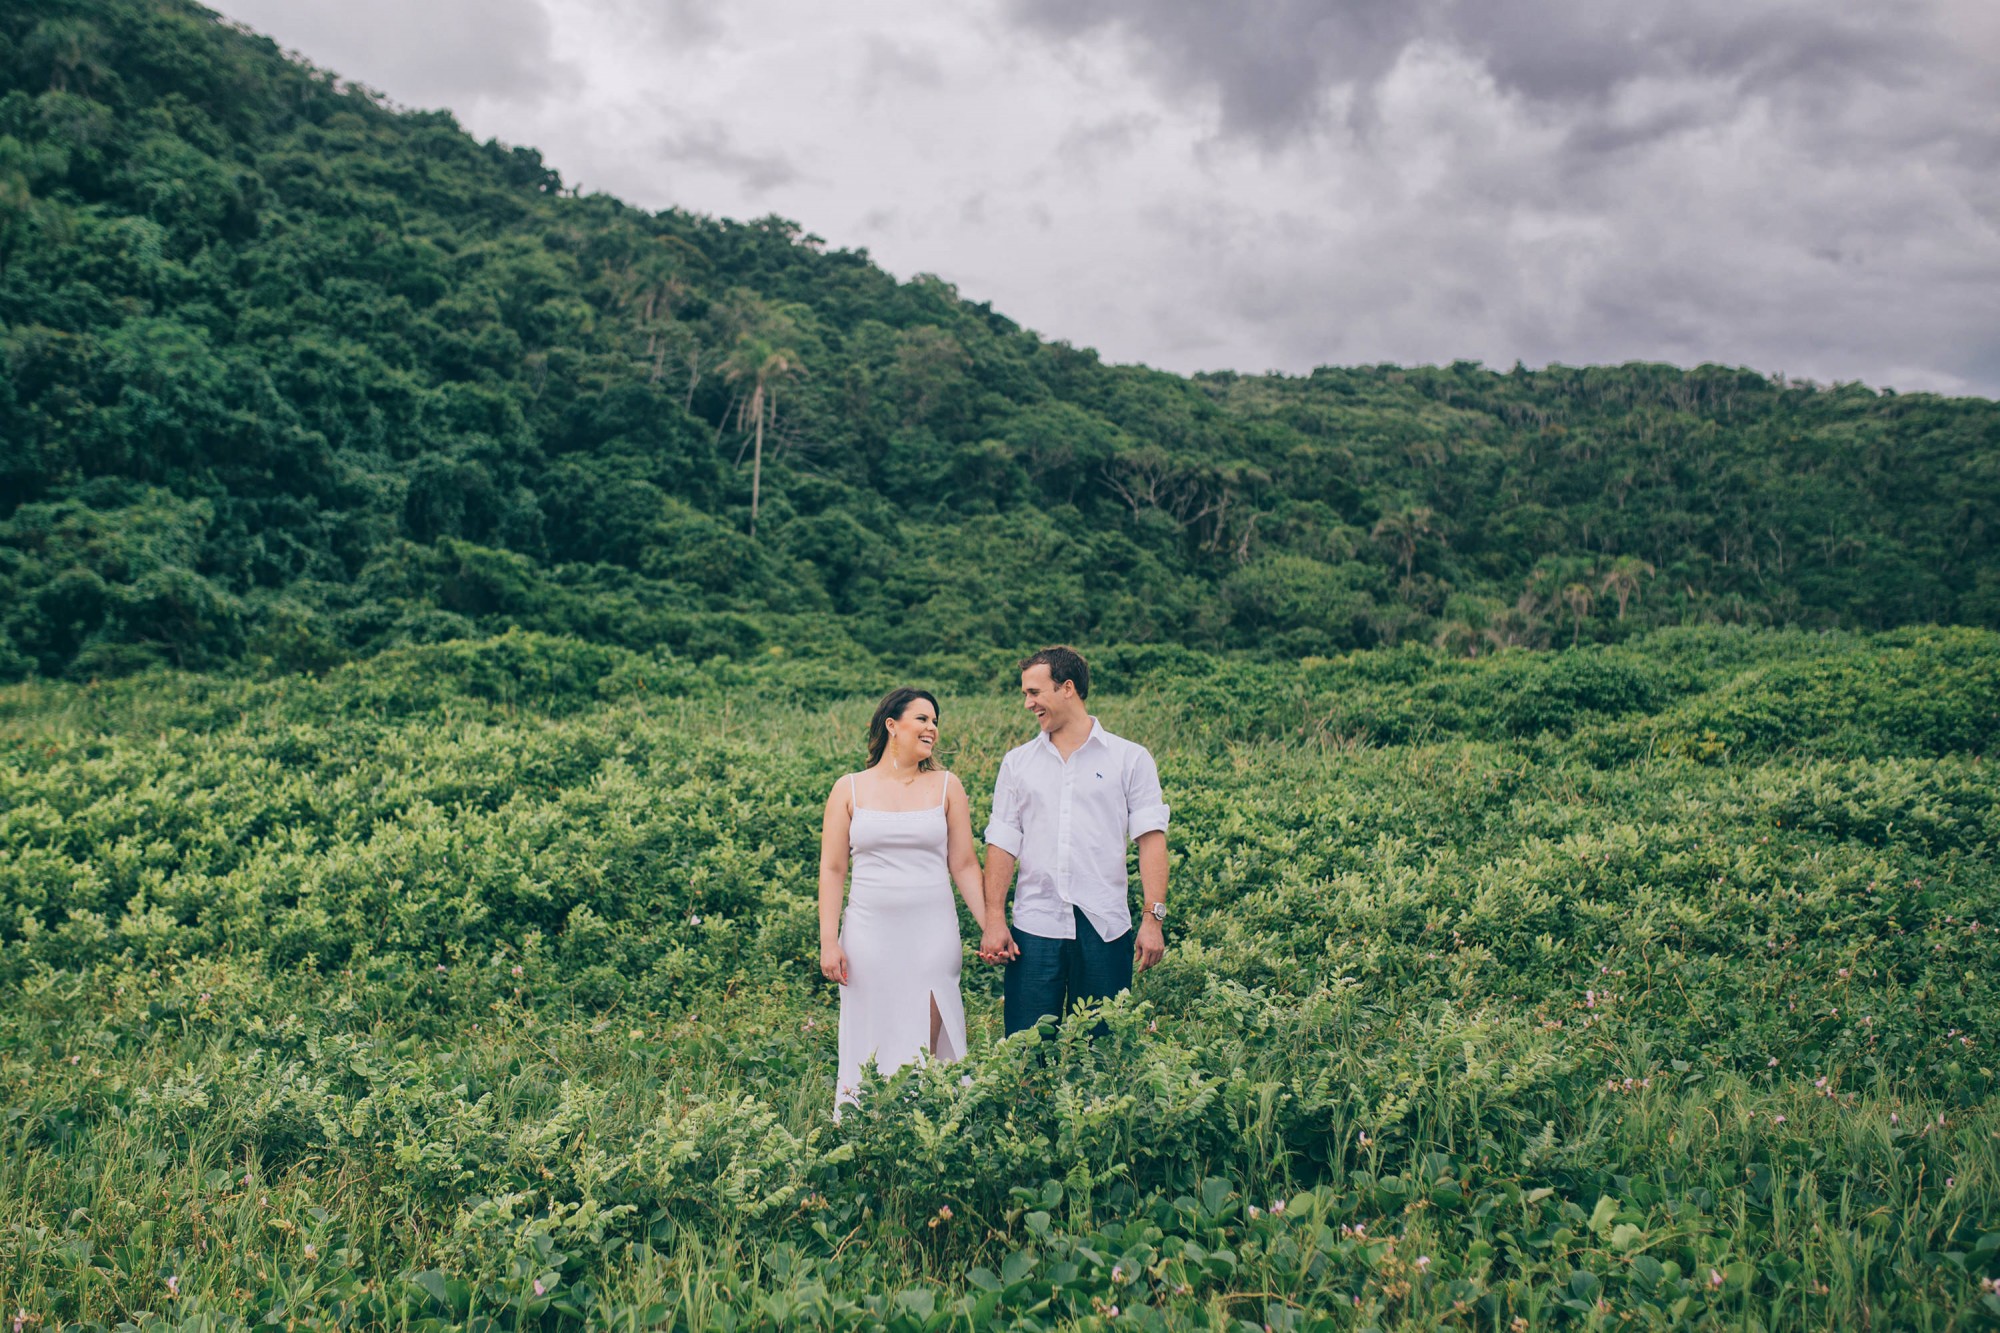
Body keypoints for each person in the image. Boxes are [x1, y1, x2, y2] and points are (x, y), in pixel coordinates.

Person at [978, 646, 1171, 1036]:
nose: (1028, 703)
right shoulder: (1017, 763)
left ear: (1068, 688)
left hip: (1104, 925)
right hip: (1035, 925)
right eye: (1025, 695)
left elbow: (1151, 841)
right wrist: (994, 919)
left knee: (1101, 1051)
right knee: (1025, 1050)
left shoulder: (1130, 758)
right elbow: (1002, 843)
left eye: (1035, 692)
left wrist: (1153, 919)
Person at [819, 687, 987, 1113]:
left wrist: (992, 926)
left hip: (932, 928)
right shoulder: (848, 789)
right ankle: (869, 1121)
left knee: (928, 1020)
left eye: (935, 721)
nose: (932, 728)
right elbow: (833, 869)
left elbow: (965, 864)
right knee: (872, 1026)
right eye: (922, 719)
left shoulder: (948, 785)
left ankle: (922, 1120)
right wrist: (829, 940)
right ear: (892, 725)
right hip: (868, 932)